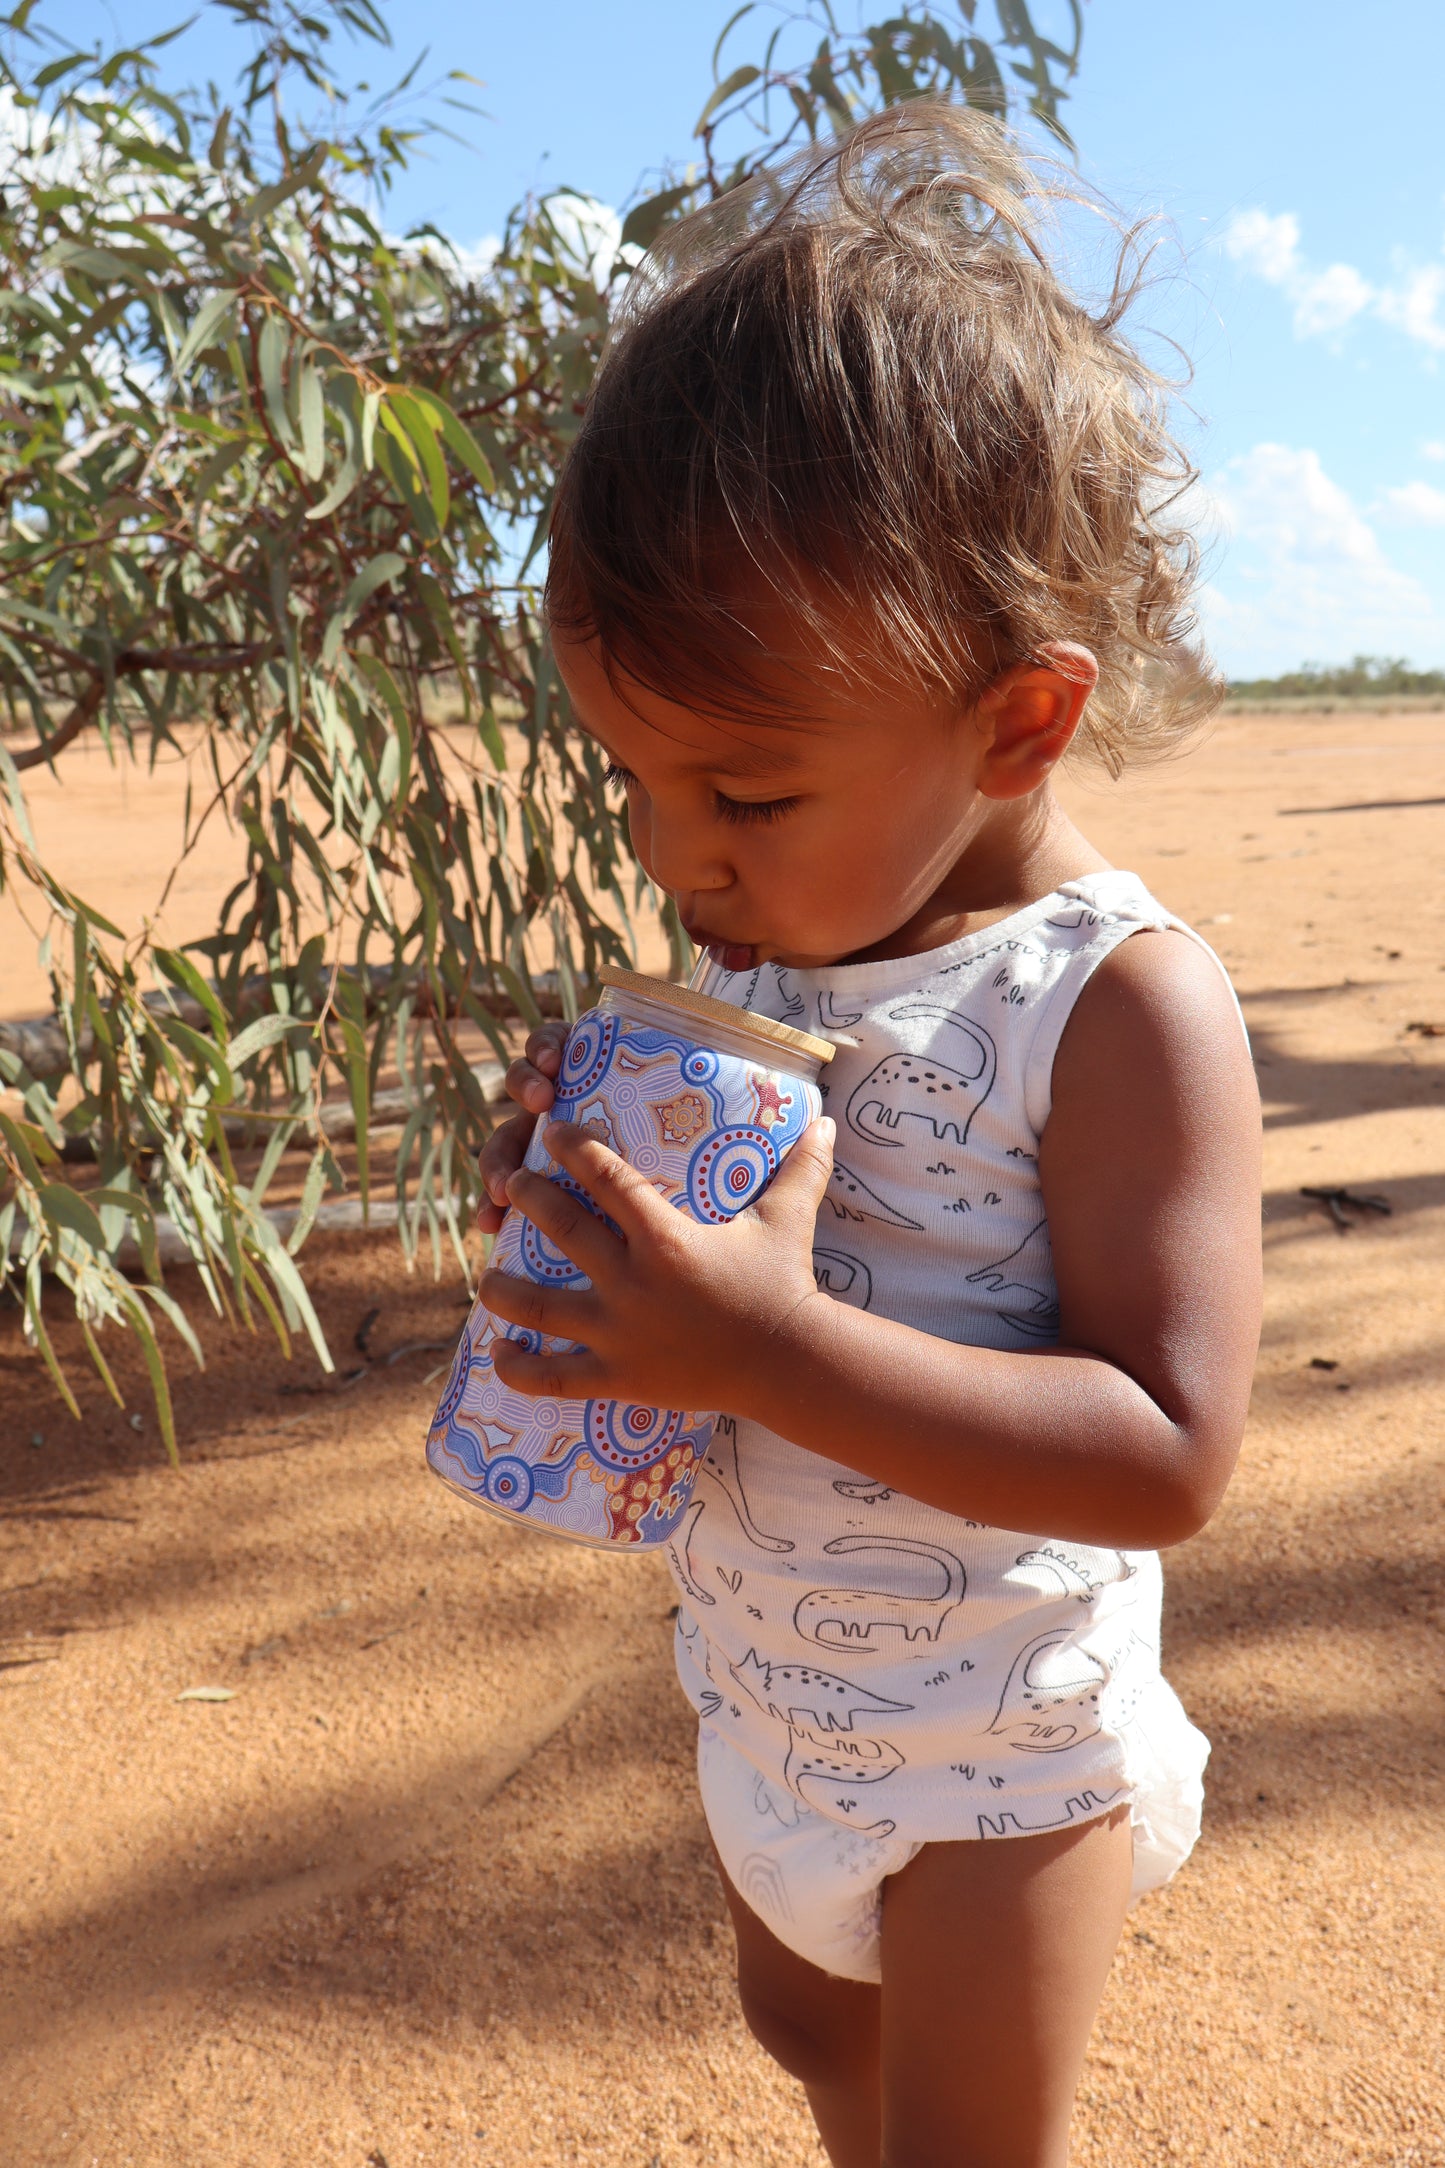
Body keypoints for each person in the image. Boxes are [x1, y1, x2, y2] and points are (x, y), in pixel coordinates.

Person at [474, 101, 1261, 2168]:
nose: (678, 858)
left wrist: (754, 1346)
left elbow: (1168, 1446)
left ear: (1017, 718)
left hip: (1001, 1759)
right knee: (813, 2049)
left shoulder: (1116, 1003)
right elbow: (745, 1260)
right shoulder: (794, 951)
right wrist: (592, 1210)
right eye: (634, 788)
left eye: (742, 794)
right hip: (769, 1704)